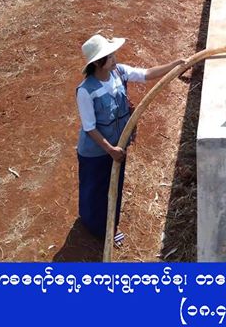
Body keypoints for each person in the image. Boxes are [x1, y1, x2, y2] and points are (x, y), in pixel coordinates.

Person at [75, 34, 184, 244]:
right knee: (94, 188)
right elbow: (89, 128)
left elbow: (146, 74)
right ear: (97, 63)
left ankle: (109, 224)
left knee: (113, 186)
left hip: (117, 147)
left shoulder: (119, 72)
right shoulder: (86, 91)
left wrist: (174, 65)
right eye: (109, 56)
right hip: (96, 151)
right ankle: (97, 228)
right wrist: (110, 150)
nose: (114, 58)